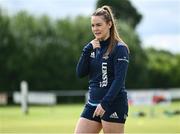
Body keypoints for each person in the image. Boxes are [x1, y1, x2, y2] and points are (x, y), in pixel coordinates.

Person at [74, 5, 129, 134]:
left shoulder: (120, 48)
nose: (95, 29)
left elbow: (119, 80)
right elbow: (80, 73)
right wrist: (87, 49)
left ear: (109, 24)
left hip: (112, 104)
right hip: (92, 104)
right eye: (93, 25)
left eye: (98, 25)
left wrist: (105, 103)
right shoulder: (92, 47)